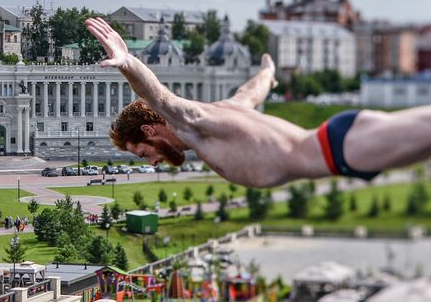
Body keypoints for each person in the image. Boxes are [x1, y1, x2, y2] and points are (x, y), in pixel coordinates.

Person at [85, 17, 431, 188]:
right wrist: (267, 72)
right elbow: (251, 93)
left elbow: (158, 95)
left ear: (151, 129)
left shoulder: (195, 123)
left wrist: (127, 62)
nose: (152, 163)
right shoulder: (224, 114)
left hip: (338, 147)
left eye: (145, 154)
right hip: (341, 148)